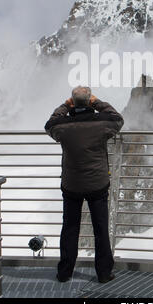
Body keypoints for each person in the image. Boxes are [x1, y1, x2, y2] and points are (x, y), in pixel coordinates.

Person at [44, 86, 124, 283]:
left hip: (71, 185)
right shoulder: (102, 123)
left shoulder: (63, 126)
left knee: (70, 228)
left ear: (72, 102)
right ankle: (104, 273)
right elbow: (117, 119)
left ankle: (65, 272)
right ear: (89, 102)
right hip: (97, 185)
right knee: (100, 229)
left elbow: (49, 124)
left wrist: (65, 105)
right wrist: (97, 102)